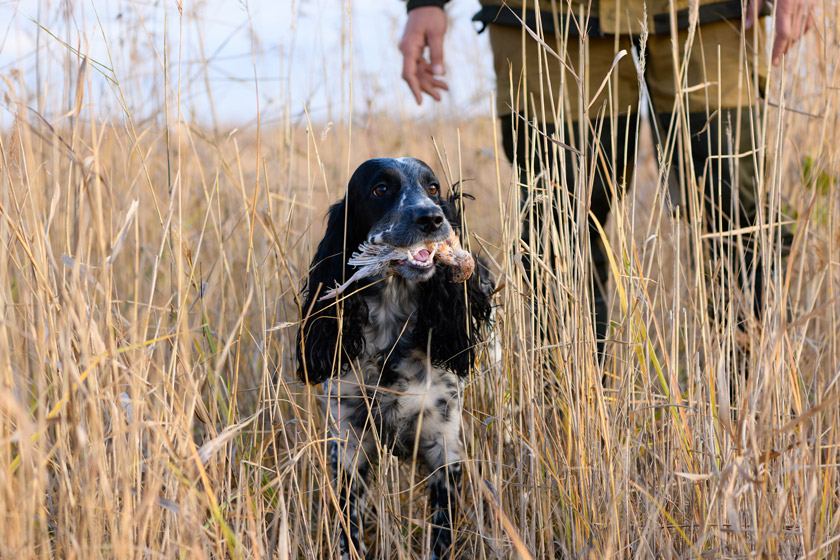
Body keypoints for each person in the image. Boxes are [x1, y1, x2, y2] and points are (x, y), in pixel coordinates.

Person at [398, 0, 812, 353]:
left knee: (736, 210)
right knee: (557, 227)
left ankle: (754, 417)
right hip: (546, 17)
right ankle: (565, 424)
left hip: (708, 13)